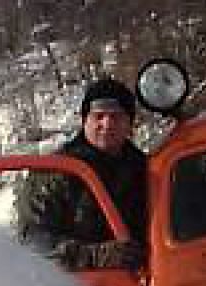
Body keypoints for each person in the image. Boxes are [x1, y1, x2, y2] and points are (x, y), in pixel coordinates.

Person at [17, 77, 149, 271]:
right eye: (99, 116)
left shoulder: (146, 170)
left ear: (130, 124)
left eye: (116, 116)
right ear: (85, 121)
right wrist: (93, 256)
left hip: (146, 284)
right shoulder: (55, 172)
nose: (107, 124)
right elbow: (33, 243)